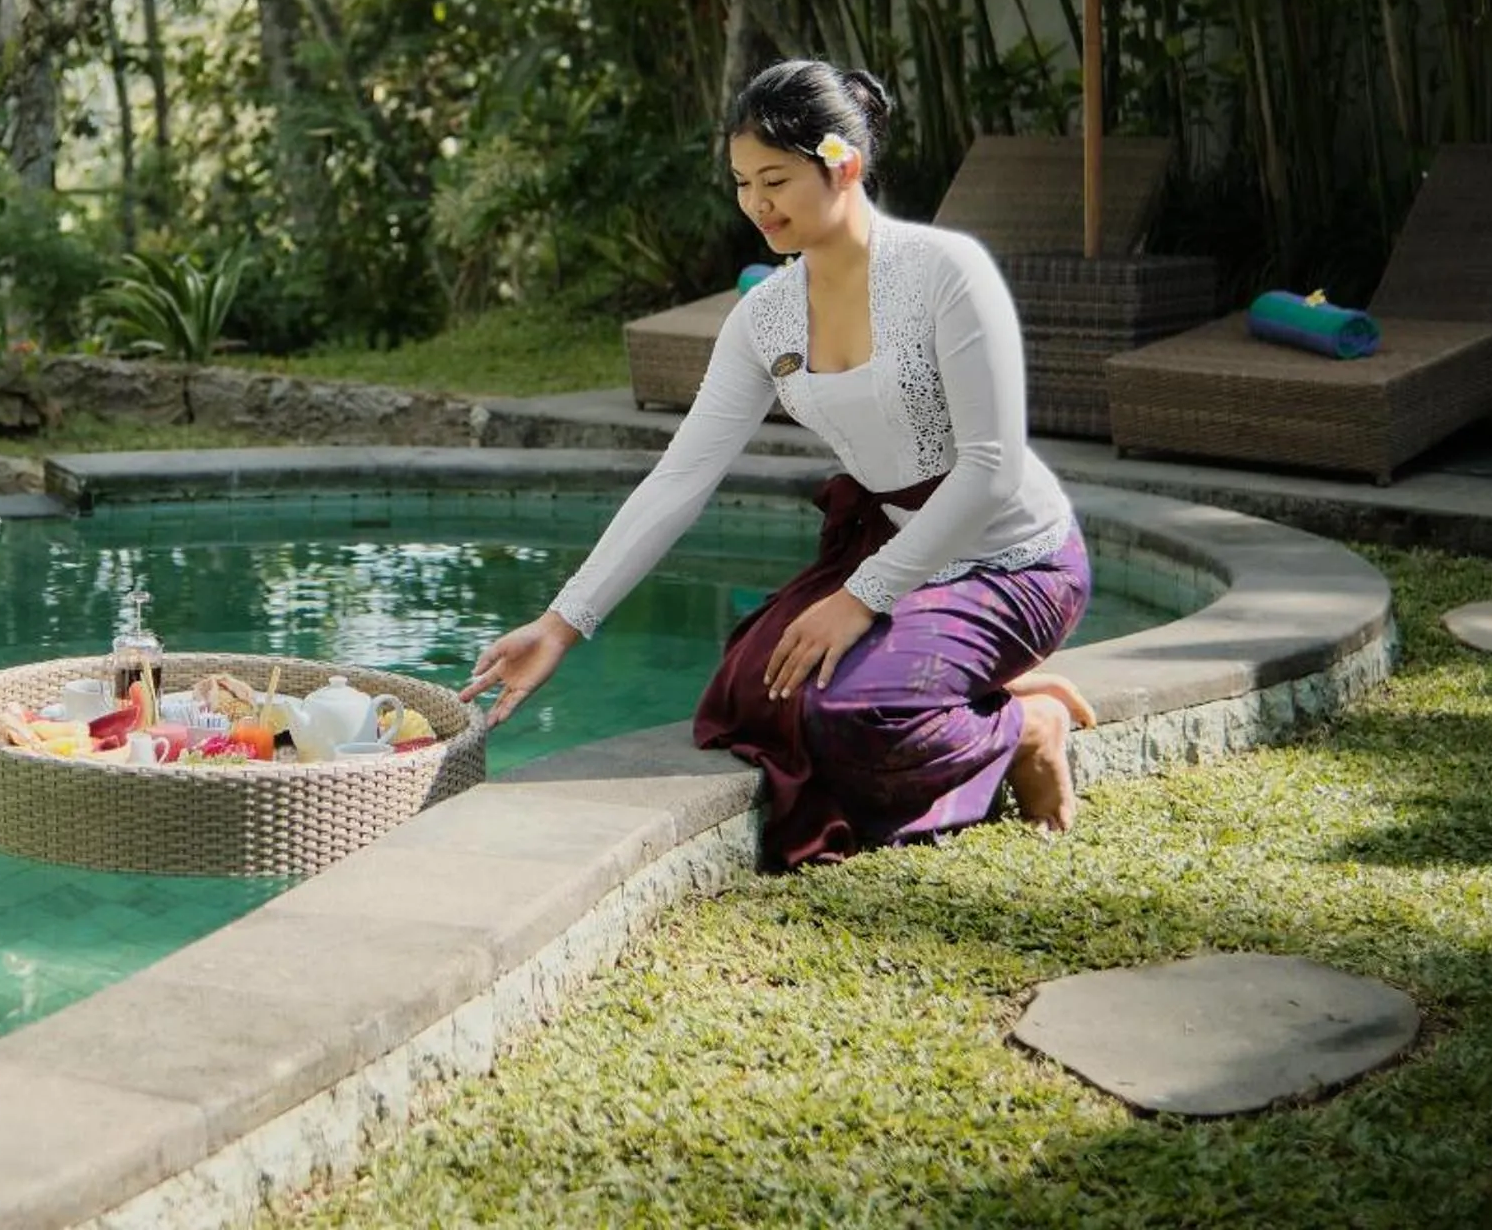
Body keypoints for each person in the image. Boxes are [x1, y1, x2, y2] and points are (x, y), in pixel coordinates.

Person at [459, 59, 1097, 867]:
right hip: (900, 550)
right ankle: (995, 695)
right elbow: (681, 477)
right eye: (741, 182)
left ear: (845, 165)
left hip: (1017, 560)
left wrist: (860, 597)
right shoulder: (765, 316)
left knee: (849, 711)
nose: (756, 204)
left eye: (776, 179)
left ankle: (1027, 726)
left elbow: (993, 469)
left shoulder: (946, 272)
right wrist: (560, 623)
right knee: (752, 689)